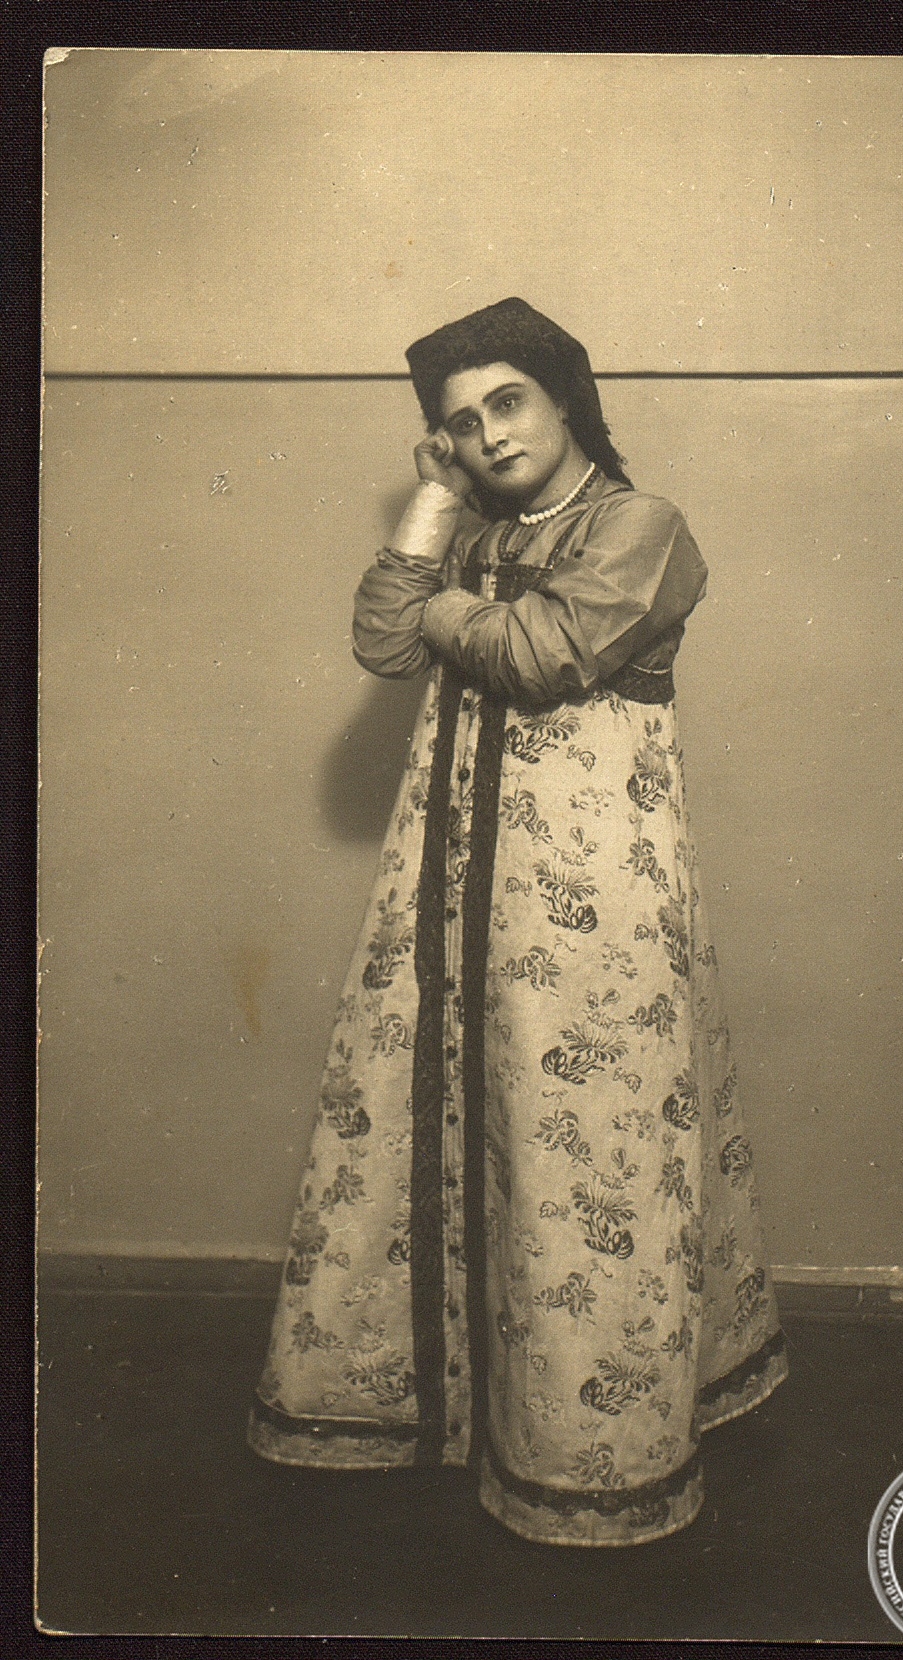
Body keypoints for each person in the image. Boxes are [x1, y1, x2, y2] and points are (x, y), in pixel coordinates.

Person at [248, 298, 787, 1545]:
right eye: (459, 424)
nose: (488, 435)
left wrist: (442, 600)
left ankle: (580, 1453)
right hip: (450, 880)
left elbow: (541, 654)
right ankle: (443, 1413)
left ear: (563, 397)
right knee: (444, 1117)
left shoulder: (643, 526)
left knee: (580, 1142)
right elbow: (382, 641)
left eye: (507, 402)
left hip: (588, 898)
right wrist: (433, 510)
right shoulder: (477, 529)